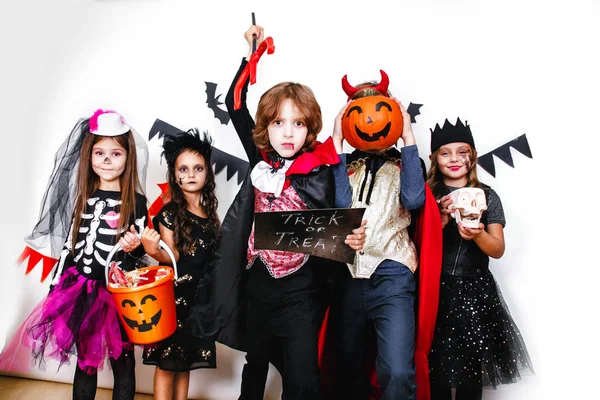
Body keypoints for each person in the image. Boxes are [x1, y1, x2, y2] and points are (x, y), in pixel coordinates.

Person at [186, 24, 366, 400]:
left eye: (297, 123)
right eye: (278, 122)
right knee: (256, 364)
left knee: (302, 377)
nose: (287, 133)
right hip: (257, 285)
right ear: (266, 128)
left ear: (309, 128)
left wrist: (353, 237)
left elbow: (340, 222)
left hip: (301, 290)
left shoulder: (321, 171)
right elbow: (236, 105)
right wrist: (251, 55)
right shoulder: (261, 163)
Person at [12, 109, 149, 400]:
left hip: (116, 295)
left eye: (116, 153)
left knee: (123, 363)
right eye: (99, 153)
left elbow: (137, 257)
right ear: (89, 157)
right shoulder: (82, 197)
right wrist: (54, 286)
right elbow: (70, 246)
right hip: (80, 292)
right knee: (85, 365)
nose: (107, 160)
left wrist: (132, 248)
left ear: (128, 157)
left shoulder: (136, 202)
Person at [329, 71, 442, 400]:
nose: (369, 119)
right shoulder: (345, 164)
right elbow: (338, 206)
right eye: (359, 112)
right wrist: (336, 144)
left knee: (396, 369)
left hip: (392, 275)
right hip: (349, 276)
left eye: (379, 110)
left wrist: (408, 136)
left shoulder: (408, 162)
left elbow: (414, 200)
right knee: (349, 366)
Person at [426, 118, 533, 400]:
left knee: (470, 372)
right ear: (434, 158)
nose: (454, 159)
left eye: (462, 151)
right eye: (445, 152)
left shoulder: (488, 196)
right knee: (433, 369)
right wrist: (441, 219)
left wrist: (478, 234)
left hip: (474, 292)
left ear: (472, 155)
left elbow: (497, 248)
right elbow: (415, 244)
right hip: (433, 290)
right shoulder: (426, 195)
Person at [140, 129, 218, 400]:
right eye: (183, 169)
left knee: (184, 362)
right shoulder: (170, 211)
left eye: (198, 168)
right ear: (174, 174)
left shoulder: (209, 215)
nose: (191, 174)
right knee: (167, 362)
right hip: (174, 299)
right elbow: (170, 255)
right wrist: (153, 249)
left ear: (207, 172)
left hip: (198, 300)